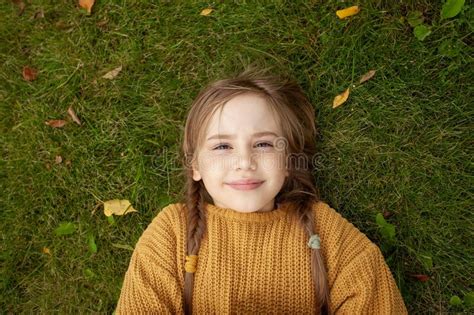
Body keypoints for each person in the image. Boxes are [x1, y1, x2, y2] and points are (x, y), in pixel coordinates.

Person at [115, 68, 408, 314]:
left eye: (264, 144)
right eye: (222, 146)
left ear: (289, 160)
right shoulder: (172, 234)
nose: (245, 162)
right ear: (195, 165)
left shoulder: (326, 233)